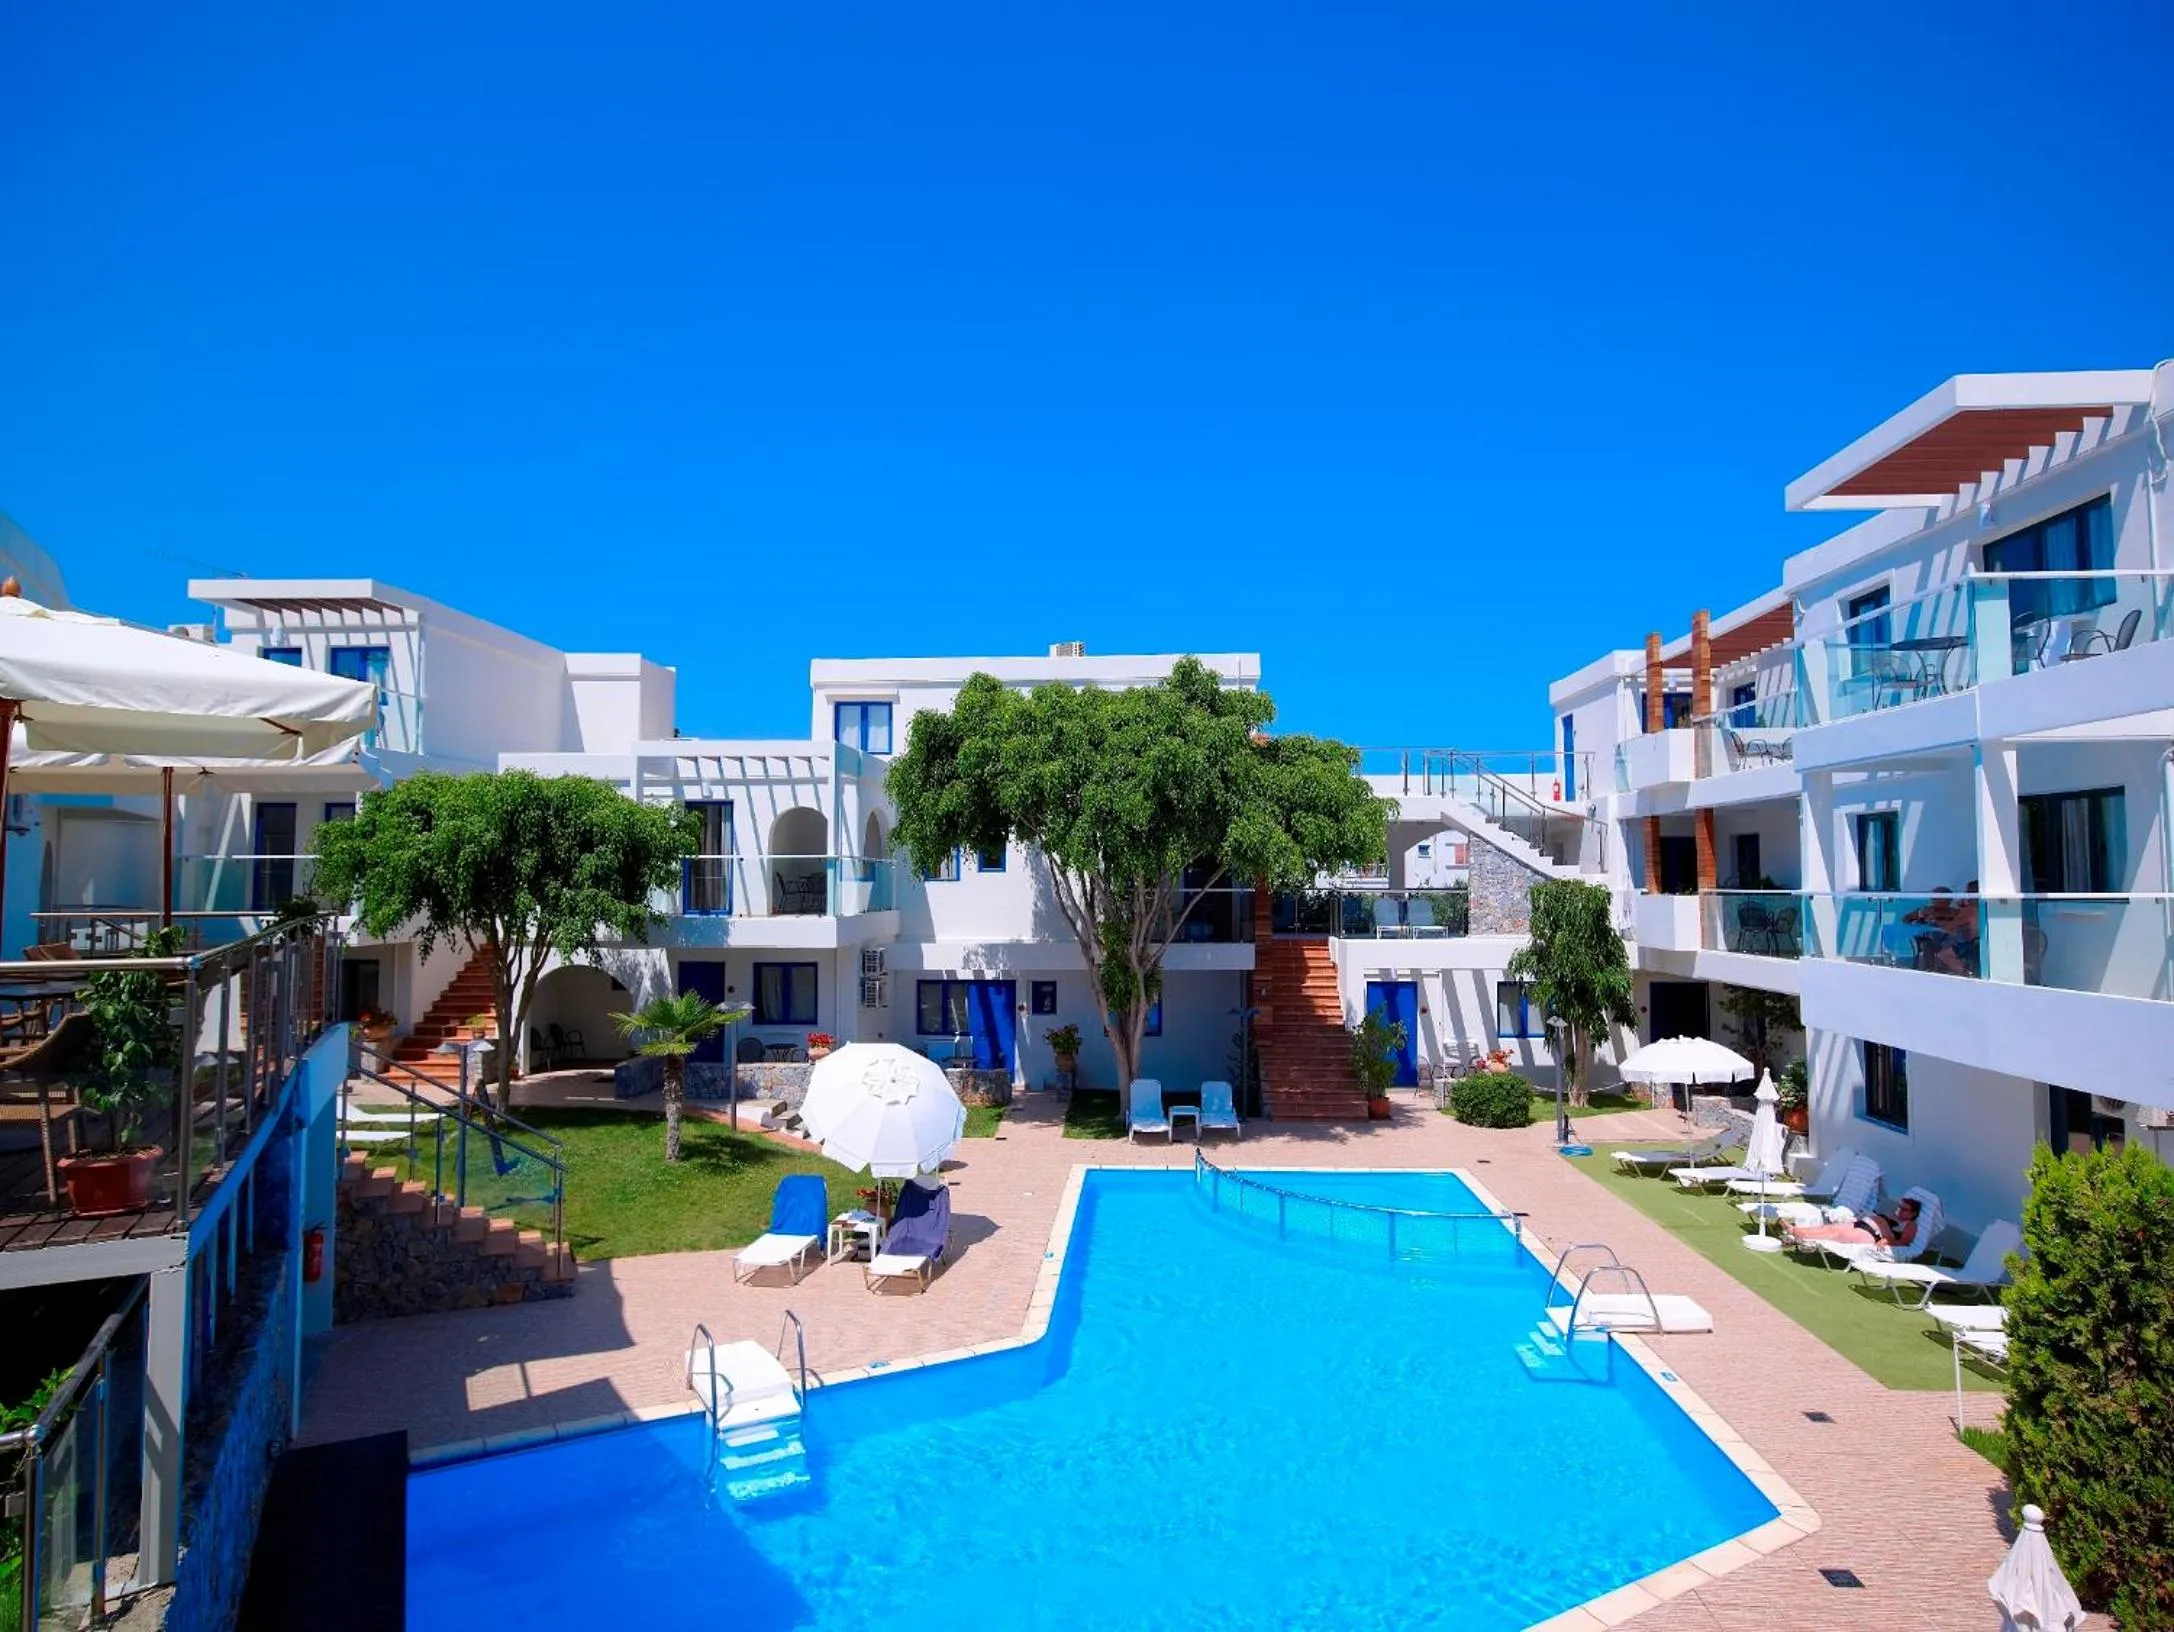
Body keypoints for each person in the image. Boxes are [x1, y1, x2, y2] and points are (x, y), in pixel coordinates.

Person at [1785, 1195, 1922, 1251]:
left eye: (1904, 1209)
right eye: (1900, 1206)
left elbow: (1904, 1242)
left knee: (1836, 1234)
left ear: (1913, 1213)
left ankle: (1798, 1233)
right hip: (1864, 1223)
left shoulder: (1910, 1225)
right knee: (1830, 1228)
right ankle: (1797, 1231)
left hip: (1872, 1233)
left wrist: (1886, 1241)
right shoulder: (1895, 1216)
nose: (1900, 1210)